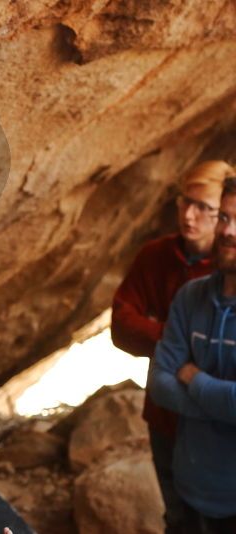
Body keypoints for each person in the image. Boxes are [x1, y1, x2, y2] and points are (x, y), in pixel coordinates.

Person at [111, 160, 233, 532]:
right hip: (167, 416)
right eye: (185, 202)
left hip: (221, 438)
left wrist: (181, 362)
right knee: (179, 516)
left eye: (205, 208)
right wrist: (172, 345)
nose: (189, 215)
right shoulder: (159, 258)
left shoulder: (225, 265)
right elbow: (121, 324)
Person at [148, 173, 236, 533]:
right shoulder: (191, 297)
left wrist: (193, 377)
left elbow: (177, 378)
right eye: (227, 218)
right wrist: (223, 406)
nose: (230, 232)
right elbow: (159, 383)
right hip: (190, 486)